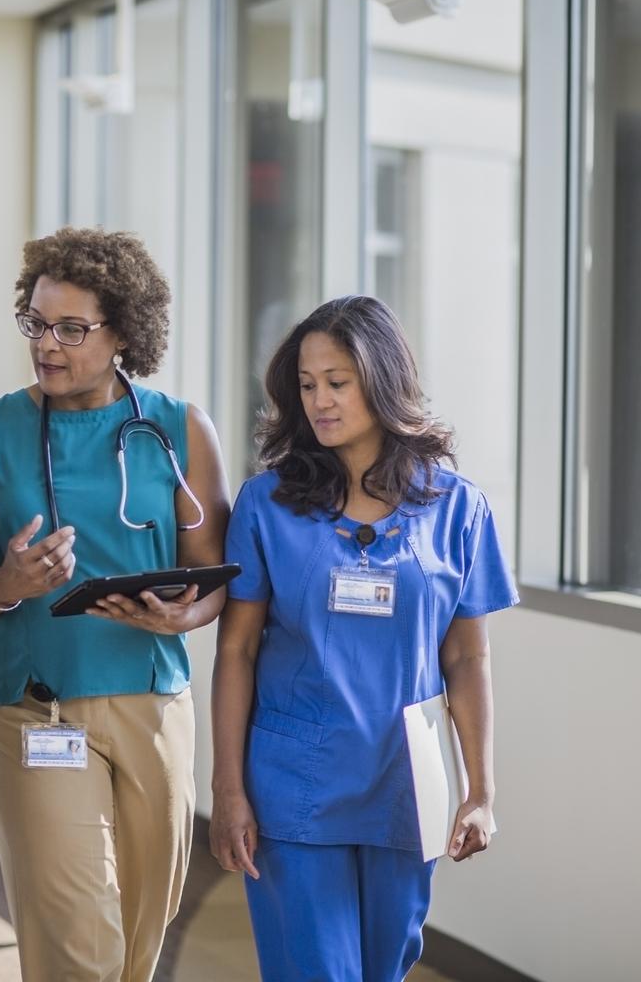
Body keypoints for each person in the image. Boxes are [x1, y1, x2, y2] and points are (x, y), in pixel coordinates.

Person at [211, 295, 519, 981]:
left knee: (386, 967)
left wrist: (482, 789)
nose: (319, 400)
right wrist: (227, 786)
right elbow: (237, 651)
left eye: (337, 382)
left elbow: (468, 657)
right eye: (307, 384)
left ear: (381, 380)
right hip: (295, 784)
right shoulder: (268, 504)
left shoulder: (458, 509)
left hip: (407, 783)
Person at [0, 227, 231, 982]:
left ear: (123, 334)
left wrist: (183, 615)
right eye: (36, 323)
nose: (46, 344)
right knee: (77, 937)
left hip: (151, 695)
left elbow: (216, 576)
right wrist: (5, 585)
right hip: (31, 703)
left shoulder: (179, 429)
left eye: (71, 328)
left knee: (146, 919)